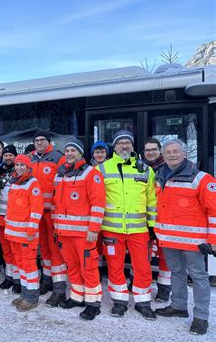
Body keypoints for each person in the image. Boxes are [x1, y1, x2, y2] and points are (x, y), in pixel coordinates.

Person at [154, 139, 216, 335]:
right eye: (168, 152)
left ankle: (201, 317)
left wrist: (213, 241)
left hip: (194, 242)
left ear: (185, 154)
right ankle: (179, 306)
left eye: (176, 151)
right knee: (176, 273)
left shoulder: (202, 179)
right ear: (163, 156)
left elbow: (214, 211)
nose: (172, 155)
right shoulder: (160, 176)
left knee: (198, 277)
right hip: (169, 239)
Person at [96, 130, 157, 319]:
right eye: (120, 143)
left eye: (127, 143)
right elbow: (96, 200)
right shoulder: (102, 169)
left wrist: (152, 226)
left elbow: (152, 200)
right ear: (114, 147)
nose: (124, 146)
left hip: (139, 230)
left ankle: (142, 301)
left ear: (132, 146)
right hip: (111, 229)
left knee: (142, 266)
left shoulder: (146, 169)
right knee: (114, 266)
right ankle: (120, 301)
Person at [53, 139, 105, 320]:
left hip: (84, 233)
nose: (69, 153)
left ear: (80, 153)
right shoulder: (60, 174)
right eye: (66, 150)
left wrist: (93, 228)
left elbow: (98, 203)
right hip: (64, 232)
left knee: (88, 267)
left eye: (72, 150)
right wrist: (56, 228)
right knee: (72, 266)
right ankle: (77, 297)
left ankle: (93, 304)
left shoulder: (91, 173)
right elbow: (56, 205)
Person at [30, 130, 67, 307]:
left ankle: (59, 287)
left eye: (42, 140)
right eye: (36, 140)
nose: (39, 143)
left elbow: (63, 185)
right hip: (36, 212)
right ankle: (47, 280)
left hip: (52, 212)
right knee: (43, 248)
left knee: (55, 249)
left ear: (49, 141)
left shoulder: (58, 157)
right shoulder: (30, 158)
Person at [5, 154, 44, 311]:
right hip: (14, 233)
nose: (19, 168)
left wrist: (31, 229)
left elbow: (36, 209)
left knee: (29, 266)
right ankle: (24, 293)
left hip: (26, 234)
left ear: (28, 167)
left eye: (22, 165)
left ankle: (32, 298)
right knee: (20, 265)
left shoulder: (33, 183)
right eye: (17, 165)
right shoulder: (14, 182)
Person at [143, 137, 171, 302]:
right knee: (142, 254)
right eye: (147, 150)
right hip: (145, 218)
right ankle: (139, 283)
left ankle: (164, 289)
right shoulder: (142, 168)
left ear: (159, 150)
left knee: (165, 256)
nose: (150, 152)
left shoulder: (168, 168)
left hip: (165, 218)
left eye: (154, 149)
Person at [0, 144, 19, 293]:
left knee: (16, 251)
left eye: (11, 155)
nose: (8, 158)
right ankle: (9, 276)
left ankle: (18, 279)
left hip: (14, 218)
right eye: (6, 155)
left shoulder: (20, 171)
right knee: (6, 250)